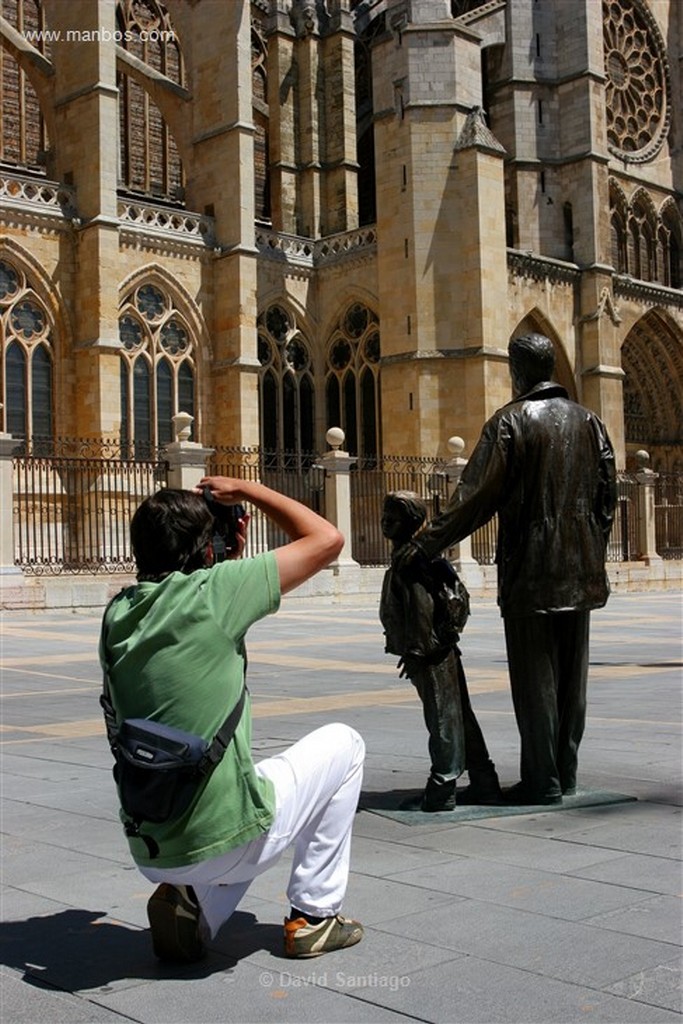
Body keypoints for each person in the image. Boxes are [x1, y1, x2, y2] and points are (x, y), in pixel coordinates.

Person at [99, 478, 365, 963]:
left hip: (153, 844)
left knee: (245, 795)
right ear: (210, 550)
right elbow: (327, 539)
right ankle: (315, 915)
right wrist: (250, 490)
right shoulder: (215, 593)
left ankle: (193, 905)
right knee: (344, 745)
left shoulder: (117, 613)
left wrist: (215, 551)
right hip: (218, 835)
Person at [397, 334, 617, 805]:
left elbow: (475, 498)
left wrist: (427, 544)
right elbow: (607, 500)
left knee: (535, 681)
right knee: (571, 681)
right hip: (581, 572)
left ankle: (543, 781)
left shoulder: (511, 422)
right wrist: (589, 549)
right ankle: (566, 773)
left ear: (517, 371)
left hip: (531, 572)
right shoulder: (590, 422)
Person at [379, 491, 501, 811]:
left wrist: (419, 650)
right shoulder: (415, 555)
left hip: (431, 652)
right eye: (385, 515)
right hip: (438, 649)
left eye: (394, 517)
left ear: (414, 522)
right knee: (459, 714)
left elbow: (423, 606)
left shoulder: (412, 559)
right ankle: (484, 779)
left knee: (442, 718)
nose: (385, 522)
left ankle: (443, 785)